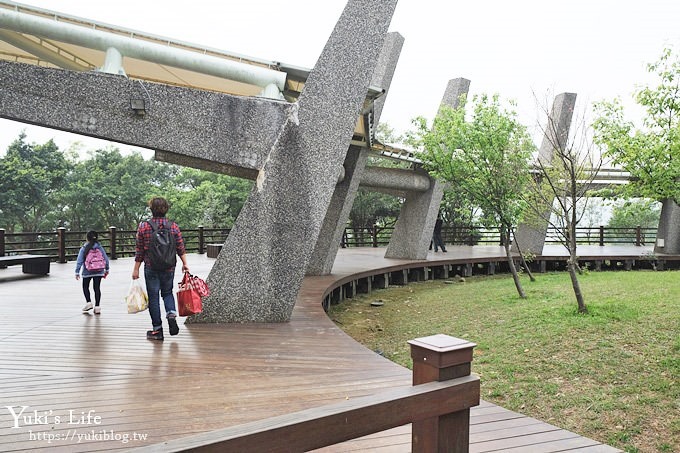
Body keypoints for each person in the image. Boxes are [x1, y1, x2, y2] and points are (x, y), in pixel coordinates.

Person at [133, 197, 189, 341]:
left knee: (154, 298)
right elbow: (180, 247)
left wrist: (136, 269)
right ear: (166, 209)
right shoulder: (173, 226)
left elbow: (139, 250)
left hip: (151, 266)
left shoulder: (144, 226)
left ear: (151, 209)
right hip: (169, 267)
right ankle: (171, 314)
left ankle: (157, 330)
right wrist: (185, 263)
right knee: (167, 293)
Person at [75, 230, 110, 314]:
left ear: (87, 238)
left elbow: (79, 260)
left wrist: (77, 271)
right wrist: (107, 269)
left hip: (87, 271)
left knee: (85, 286)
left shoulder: (84, 248)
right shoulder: (99, 247)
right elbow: (106, 258)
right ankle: (97, 307)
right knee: (97, 288)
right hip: (99, 270)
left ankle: (89, 302)